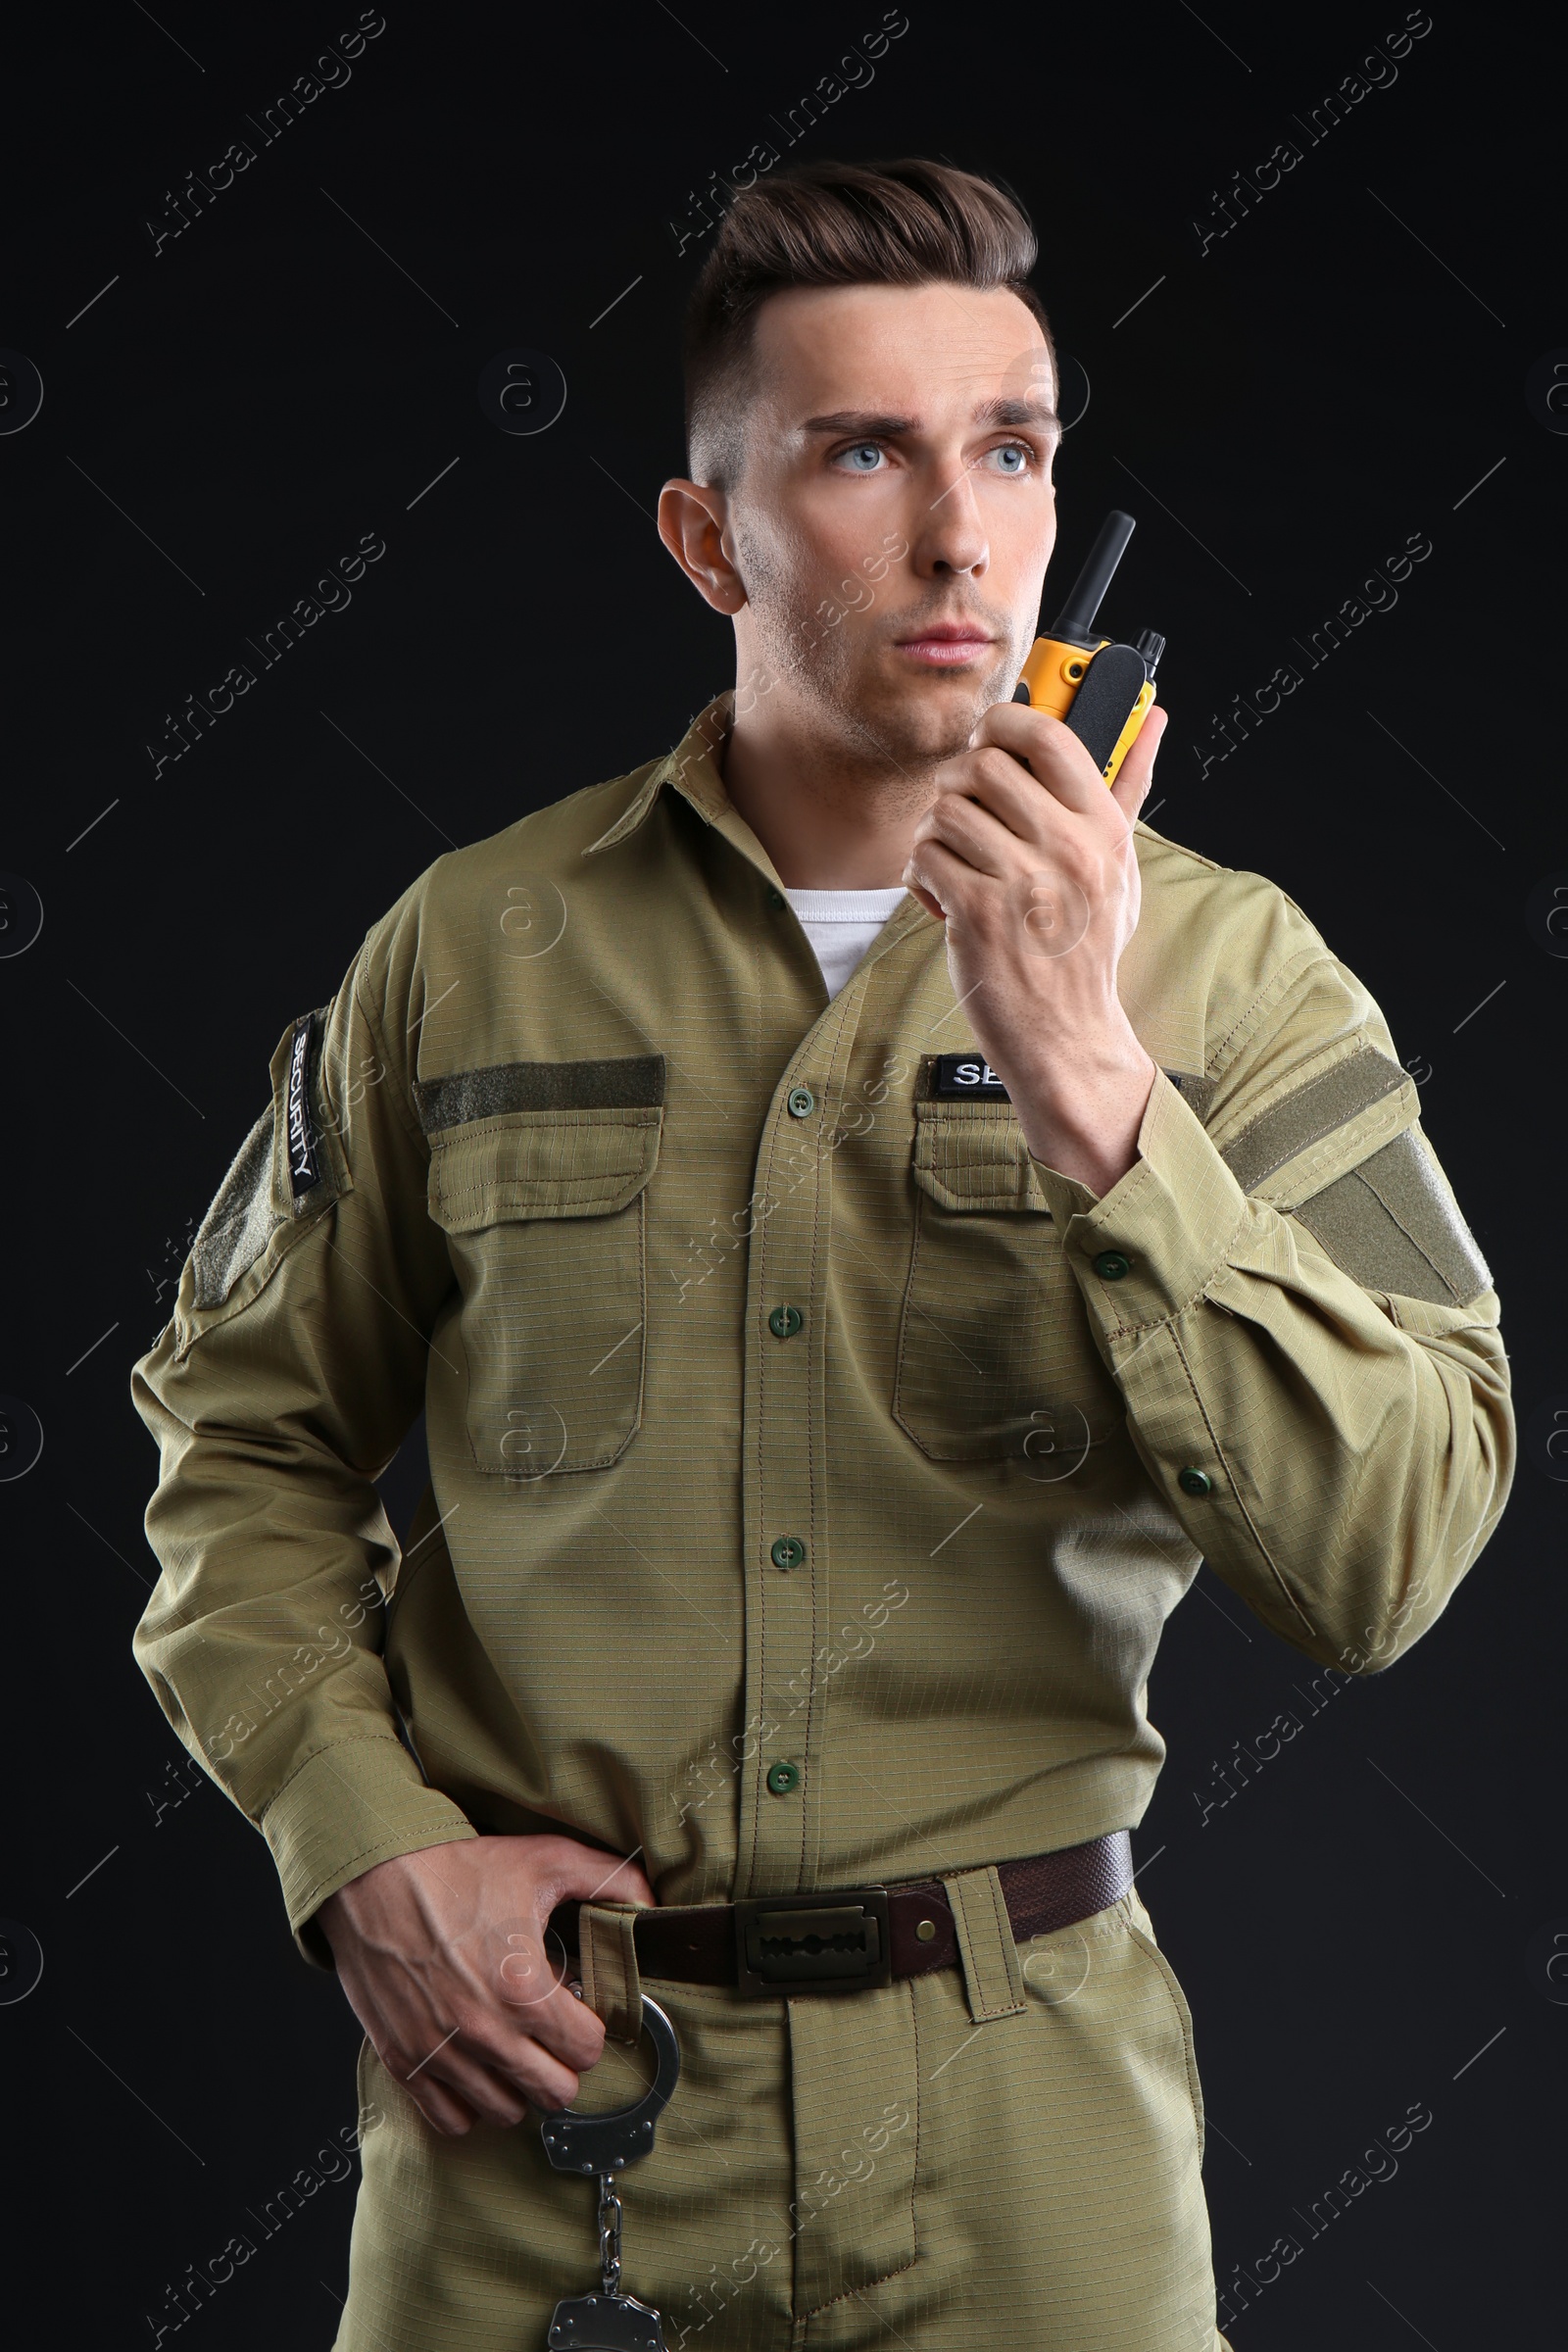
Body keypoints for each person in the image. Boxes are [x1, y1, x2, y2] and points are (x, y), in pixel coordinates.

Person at [130, 159, 1512, 2352]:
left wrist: (1090, 1083)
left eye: (1011, 448)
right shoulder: (467, 951)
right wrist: (359, 1847)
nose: (959, 532)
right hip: (535, 2114)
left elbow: (1390, 1553)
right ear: (708, 538)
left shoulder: (1235, 983)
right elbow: (238, 1444)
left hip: (1020, 2137)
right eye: (861, 451)